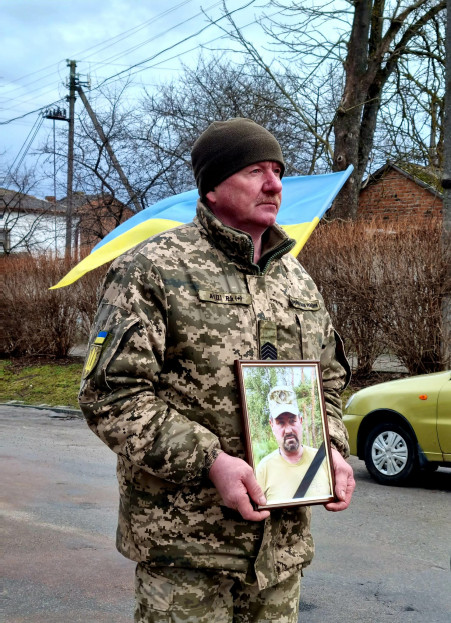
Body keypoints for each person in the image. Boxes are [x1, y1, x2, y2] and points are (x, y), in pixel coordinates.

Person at [79, 117, 355, 623]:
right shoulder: (154, 268)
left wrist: (330, 448)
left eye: (277, 171)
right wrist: (211, 461)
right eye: (255, 171)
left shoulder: (296, 279)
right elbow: (111, 395)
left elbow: (329, 383)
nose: (274, 185)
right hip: (186, 548)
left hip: (279, 552)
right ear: (211, 187)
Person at [256, 386, 332, 504]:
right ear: (272, 425)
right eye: (281, 423)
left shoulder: (323, 459)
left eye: (292, 421)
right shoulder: (263, 469)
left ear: (300, 421)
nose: (288, 430)